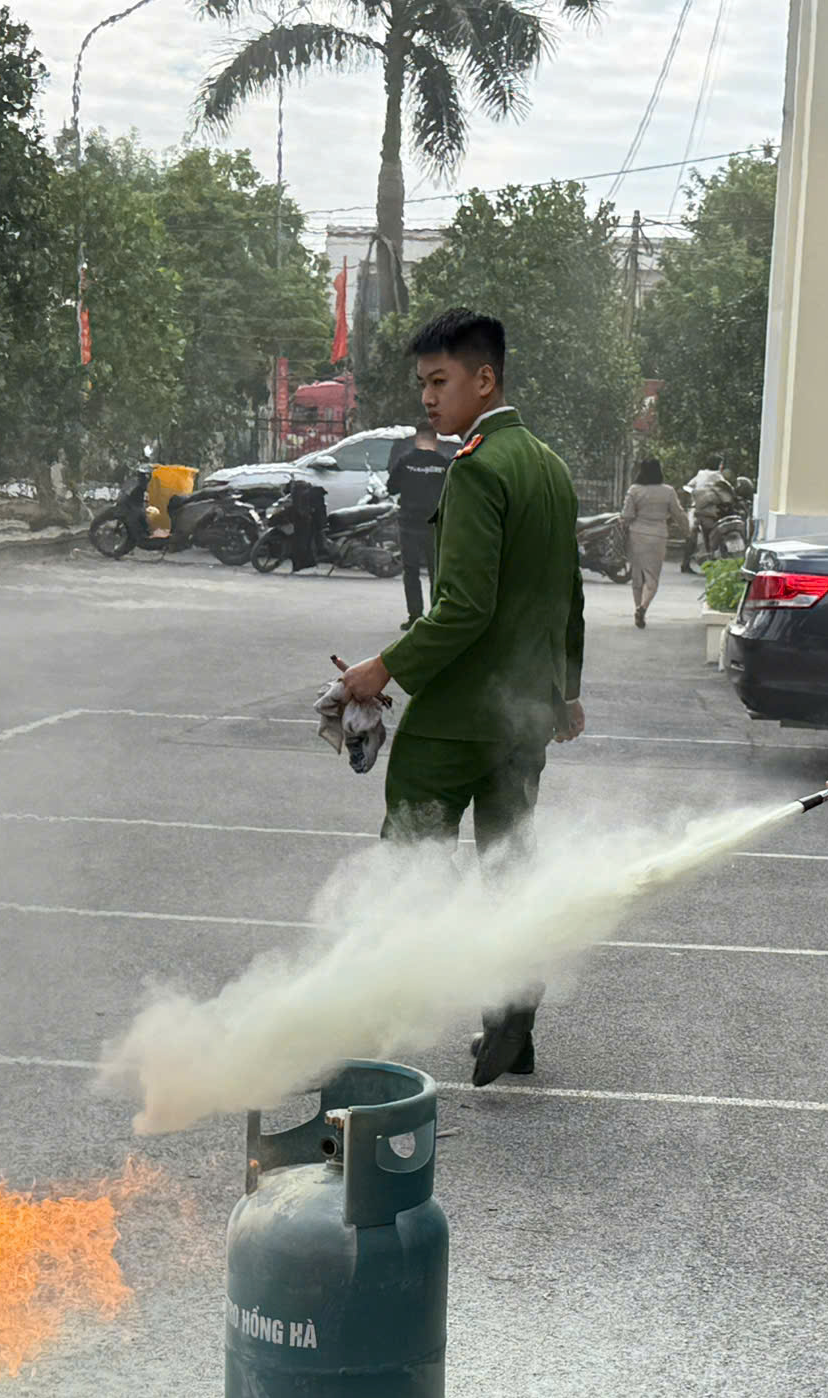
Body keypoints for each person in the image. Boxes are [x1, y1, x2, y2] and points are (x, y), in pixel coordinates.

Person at [338, 309, 586, 1085]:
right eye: (423, 383)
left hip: (456, 719)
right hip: (525, 716)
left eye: (439, 381)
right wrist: (567, 692)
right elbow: (569, 596)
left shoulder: (478, 467)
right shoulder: (548, 466)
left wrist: (384, 668)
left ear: (485, 379)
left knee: (407, 867)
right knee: (510, 866)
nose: (427, 397)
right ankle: (513, 1022)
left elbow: (465, 607)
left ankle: (359, 1027)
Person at [387, 423, 452, 628]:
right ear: (435, 440)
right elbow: (453, 492)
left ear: (417, 439)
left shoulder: (405, 461)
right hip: (435, 525)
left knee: (411, 571)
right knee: (436, 572)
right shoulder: (444, 463)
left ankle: (415, 616)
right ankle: (436, 617)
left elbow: (391, 488)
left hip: (408, 523)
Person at [618, 455, 689, 628]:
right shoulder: (668, 491)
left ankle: (637, 608)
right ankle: (643, 608)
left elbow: (627, 515)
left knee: (637, 577)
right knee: (652, 577)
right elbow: (679, 514)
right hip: (658, 536)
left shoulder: (634, 490)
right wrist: (688, 532)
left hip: (636, 536)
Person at [680, 452, 728, 574]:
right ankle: (711, 563)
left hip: (695, 509)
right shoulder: (717, 476)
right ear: (718, 465)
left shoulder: (700, 473)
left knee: (692, 537)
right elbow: (727, 489)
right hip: (709, 511)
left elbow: (689, 486)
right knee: (712, 536)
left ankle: (685, 563)